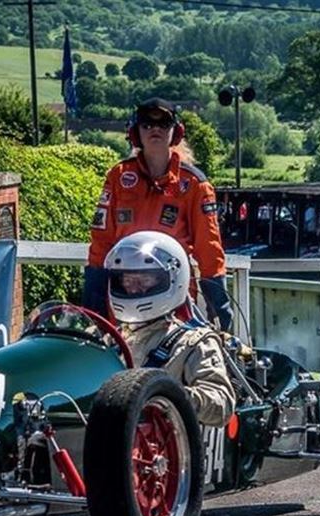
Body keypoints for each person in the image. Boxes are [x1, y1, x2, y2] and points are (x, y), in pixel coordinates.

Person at [86, 97, 231, 330]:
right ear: (135, 132)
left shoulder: (194, 184)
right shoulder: (118, 177)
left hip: (174, 301)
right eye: (146, 124)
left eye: (163, 124)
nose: (155, 129)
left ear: (175, 132)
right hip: (125, 298)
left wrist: (219, 305)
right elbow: (101, 241)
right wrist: (93, 300)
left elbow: (208, 247)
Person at [104, 231, 235, 427]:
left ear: (173, 279)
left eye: (144, 280)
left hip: (165, 449)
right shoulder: (109, 340)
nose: (133, 289)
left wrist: (167, 395)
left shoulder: (193, 342)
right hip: (108, 442)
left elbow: (221, 405)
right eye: (127, 281)